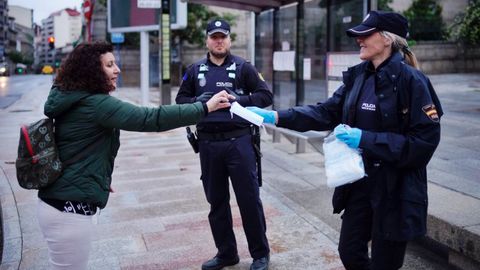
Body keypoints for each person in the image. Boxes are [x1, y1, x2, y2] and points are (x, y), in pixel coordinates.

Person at [248, 11, 443, 270]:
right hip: (359, 183)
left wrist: (366, 138)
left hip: (395, 189)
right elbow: (325, 112)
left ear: (387, 39)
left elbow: (423, 144)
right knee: (349, 251)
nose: (358, 40)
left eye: (366, 34)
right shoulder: (359, 76)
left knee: (386, 263)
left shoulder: (413, 81)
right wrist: (275, 116)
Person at [36, 41, 233, 270]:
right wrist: (204, 108)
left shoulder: (72, 97)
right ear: (91, 70)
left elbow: (76, 147)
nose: (117, 70)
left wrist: (95, 175)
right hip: (68, 209)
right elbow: (150, 118)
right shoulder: (95, 104)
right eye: (110, 65)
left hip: (61, 202)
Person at [175, 19, 272, 270]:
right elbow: (181, 99)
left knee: (249, 200)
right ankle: (226, 253)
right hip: (208, 145)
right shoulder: (195, 69)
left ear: (229, 40)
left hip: (239, 142)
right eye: (214, 37)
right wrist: (199, 100)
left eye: (223, 37)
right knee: (216, 201)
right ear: (207, 40)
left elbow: (265, 96)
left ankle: (260, 254)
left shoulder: (243, 67)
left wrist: (239, 99)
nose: (219, 41)